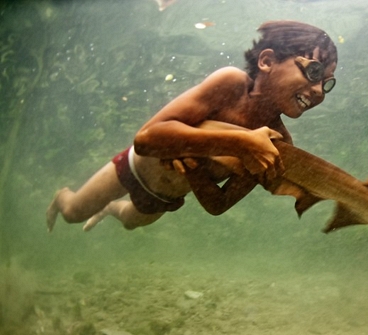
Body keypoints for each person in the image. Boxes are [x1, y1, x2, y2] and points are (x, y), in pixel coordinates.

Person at [46, 20, 337, 231]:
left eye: (327, 83)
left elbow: (218, 205)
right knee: (73, 213)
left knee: (130, 222)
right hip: (134, 167)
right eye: (313, 71)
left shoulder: (277, 144)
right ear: (267, 60)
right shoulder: (231, 84)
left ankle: (110, 208)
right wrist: (243, 142)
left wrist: (196, 167)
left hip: (165, 196)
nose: (319, 90)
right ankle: (62, 195)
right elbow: (147, 140)